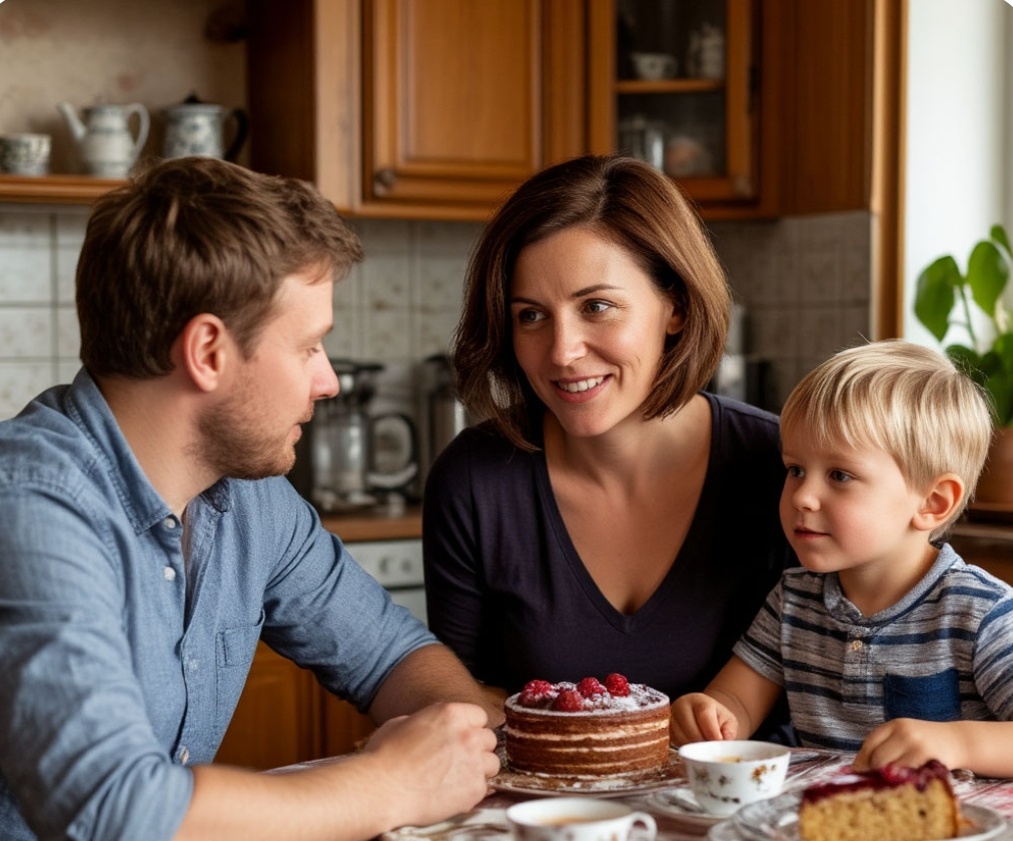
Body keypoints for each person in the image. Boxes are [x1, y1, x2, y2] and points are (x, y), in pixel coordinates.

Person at [0, 157, 502, 841]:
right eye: (309, 347)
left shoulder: (249, 499)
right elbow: (114, 811)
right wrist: (390, 783)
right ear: (207, 350)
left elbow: (391, 656)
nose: (326, 381)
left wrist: (461, 736)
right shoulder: (32, 503)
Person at [422, 154, 795, 733]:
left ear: (675, 305)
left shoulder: (782, 468)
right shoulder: (474, 480)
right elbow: (462, 693)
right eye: (531, 316)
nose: (562, 351)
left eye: (597, 306)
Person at [670, 339, 1013, 777]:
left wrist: (958, 742)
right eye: (795, 470)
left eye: (840, 475)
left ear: (932, 502)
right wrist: (708, 714)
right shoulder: (794, 599)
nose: (803, 497)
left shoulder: (980, 612)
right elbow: (736, 702)